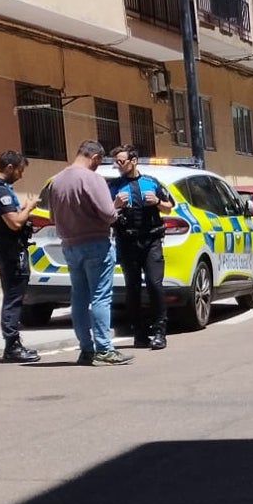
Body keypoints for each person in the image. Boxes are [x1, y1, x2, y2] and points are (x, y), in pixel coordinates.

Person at [47, 140, 131, 366]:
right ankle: (104, 348)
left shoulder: (56, 181)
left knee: (79, 298)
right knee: (101, 296)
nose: (98, 166)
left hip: (69, 246)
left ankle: (86, 349)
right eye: (99, 162)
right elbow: (108, 214)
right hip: (95, 243)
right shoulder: (93, 179)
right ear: (94, 158)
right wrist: (117, 205)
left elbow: (52, 218)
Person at [107, 145, 172, 351]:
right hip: (127, 242)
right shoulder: (114, 186)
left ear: (133, 161)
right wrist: (116, 204)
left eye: (121, 161)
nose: (118, 165)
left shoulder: (151, 182)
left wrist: (157, 202)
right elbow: (105, 213)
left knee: (154, 284)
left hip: (151, 240)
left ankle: (160, 331)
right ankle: (139, 333)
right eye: (115, 162)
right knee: (132, 288)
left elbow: (170, 206)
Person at [0, 150, 40, 363]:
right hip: (11, 251)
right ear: (10, 167)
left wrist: (22, 212)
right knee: (14, 298)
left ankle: (13, 343)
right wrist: (29, 208)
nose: (21, 176)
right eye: (20, 170)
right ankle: (12, 345)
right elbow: (14, 223)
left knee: (12, 296)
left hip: (4, 249)